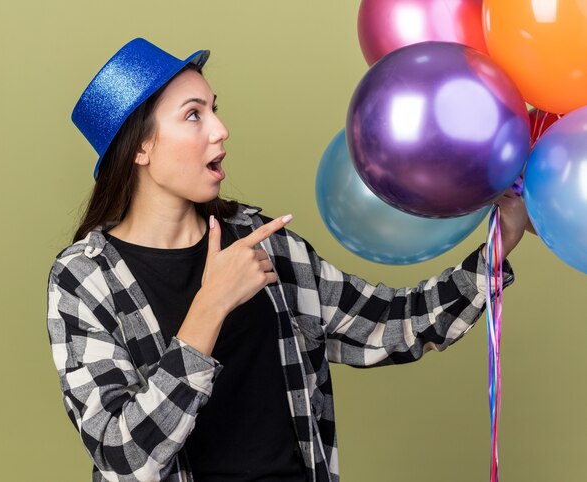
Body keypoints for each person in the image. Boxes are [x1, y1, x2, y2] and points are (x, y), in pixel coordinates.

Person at [46, 38, 529, 482]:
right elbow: (124, 458)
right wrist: (210, 307)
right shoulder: (85, 279)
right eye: (193, 115)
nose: (220, 129)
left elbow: (389, 325)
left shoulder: (265, 245)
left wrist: (496, 249)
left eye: (215, 109)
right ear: (142, 147)